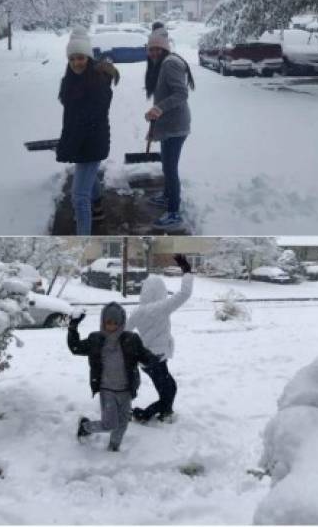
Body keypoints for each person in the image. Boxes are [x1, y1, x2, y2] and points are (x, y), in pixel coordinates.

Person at [67, 302, 158, 452]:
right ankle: (85, 427)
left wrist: (153, 359)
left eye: (116, 322)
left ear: (121, 323)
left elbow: (144, 354)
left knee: (122, 424)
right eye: (108, 322)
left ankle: (113, 448)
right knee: (109, 424)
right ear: (103, 322)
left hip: (126, 390)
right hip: (106, 390)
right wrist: (73, 327)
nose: (112, 326)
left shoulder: (131, 339)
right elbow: (75, 347)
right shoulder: (96, 340)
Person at [56, 27, 120, 235]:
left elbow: (88, 120)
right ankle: (98, 207)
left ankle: (83, 243)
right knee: (88, 178)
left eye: (81, 57)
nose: (76, 63)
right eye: (72, 58)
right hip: (80, 141)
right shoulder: (71, 80)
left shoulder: (98, 84)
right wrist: (68, 141)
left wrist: (68, 145)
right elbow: (71, 118)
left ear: (88, 57)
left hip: (92, 142)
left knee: (79, 197)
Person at [126, 254, 194, 422]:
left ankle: (163, 413)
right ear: (160, 291)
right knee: (169, 390)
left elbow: (123, 332)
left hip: (147, 360)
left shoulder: (138, 311)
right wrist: (186, 270)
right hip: (155, 358)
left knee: (168, 389)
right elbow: (185, 293)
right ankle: (144, 414)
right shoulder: (160, 307)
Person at [143, 27, 195, 230]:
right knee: (167, 165)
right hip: (169, 124)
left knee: (170, 169)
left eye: (158, 49)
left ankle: (174, 212)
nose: (154, 53)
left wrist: (158, 108)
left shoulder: (170, 63)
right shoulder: (164, 63)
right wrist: (155, 122)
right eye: (151, 49)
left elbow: (181, 94)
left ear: (165, 49)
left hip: (176, 126)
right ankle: (166, 196)